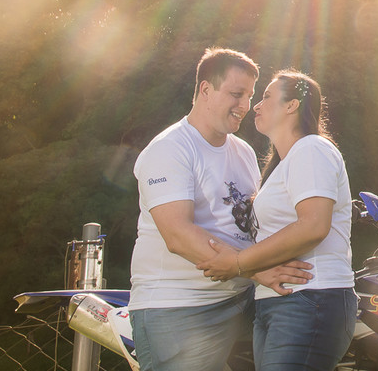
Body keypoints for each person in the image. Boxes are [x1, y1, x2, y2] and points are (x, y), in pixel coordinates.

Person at [129, 48, 312, 371]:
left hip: (240, 302)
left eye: (251, 96)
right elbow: (178, 235)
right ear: (205, 90)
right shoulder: (169, 149)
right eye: (236, 94)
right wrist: (257, 270)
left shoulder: (241, 151)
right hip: (180, 310)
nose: (246, 106)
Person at [197, 70, 356, 371]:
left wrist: (238, 264)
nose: (255, 105)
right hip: (277, 304)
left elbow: (313, 226)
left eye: (267, 96)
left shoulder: (312, 149)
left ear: (292, 105)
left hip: (311, 299)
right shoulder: (284, 165)